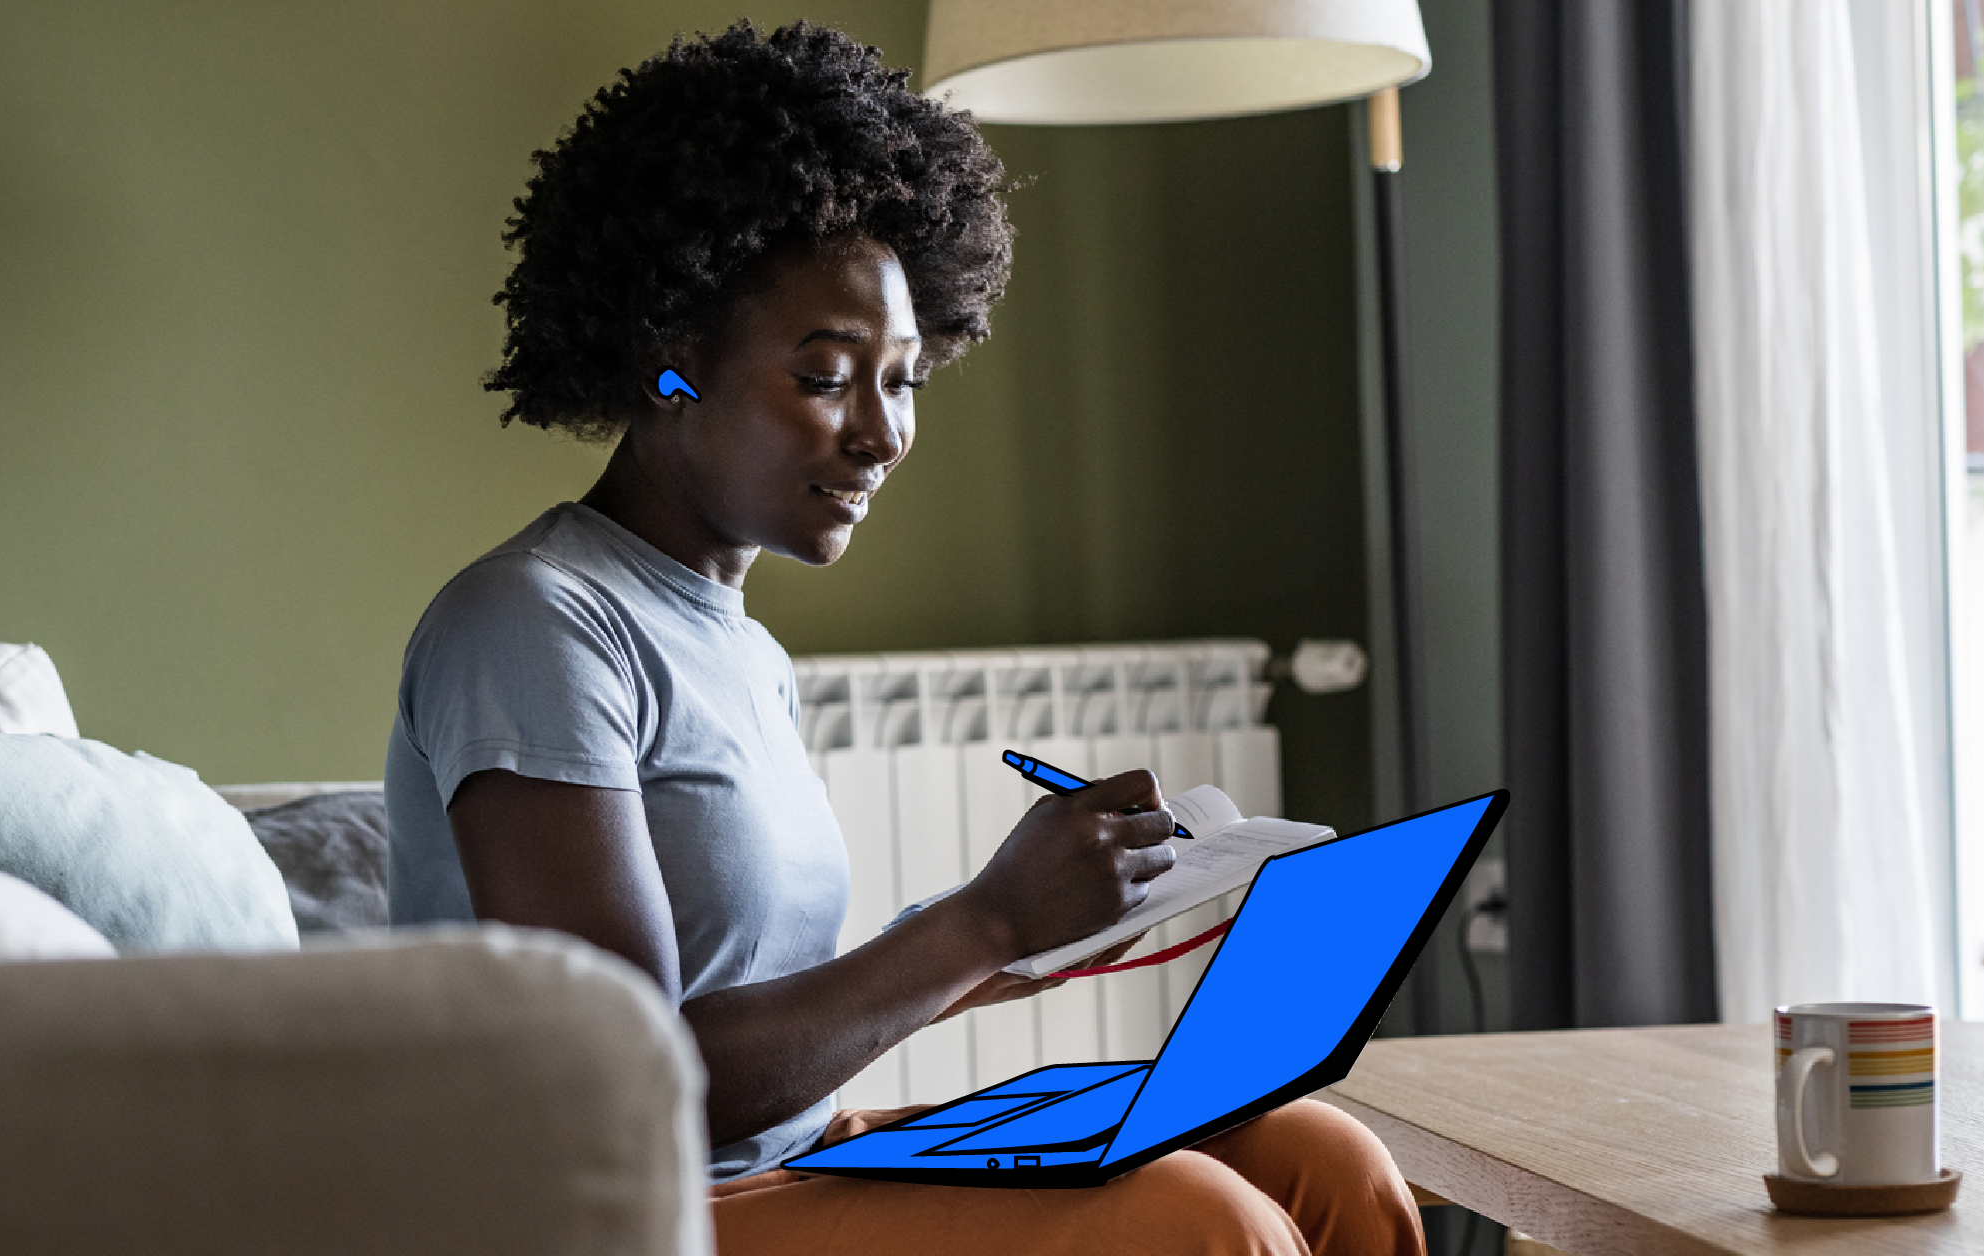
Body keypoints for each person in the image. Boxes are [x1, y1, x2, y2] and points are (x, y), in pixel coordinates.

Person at [383, 20, 1426, 1256]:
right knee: (1194, 1223)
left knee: (1322, 1156)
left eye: (905, 377)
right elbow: (620, 1081)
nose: (881, 434)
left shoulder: (737, 645)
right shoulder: (535, 620)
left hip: (787, 1161)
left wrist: (1045, 927)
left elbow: (778, 1014)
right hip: (617, 1216)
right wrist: (980, 921)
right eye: (828, 375)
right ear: (670, 367)